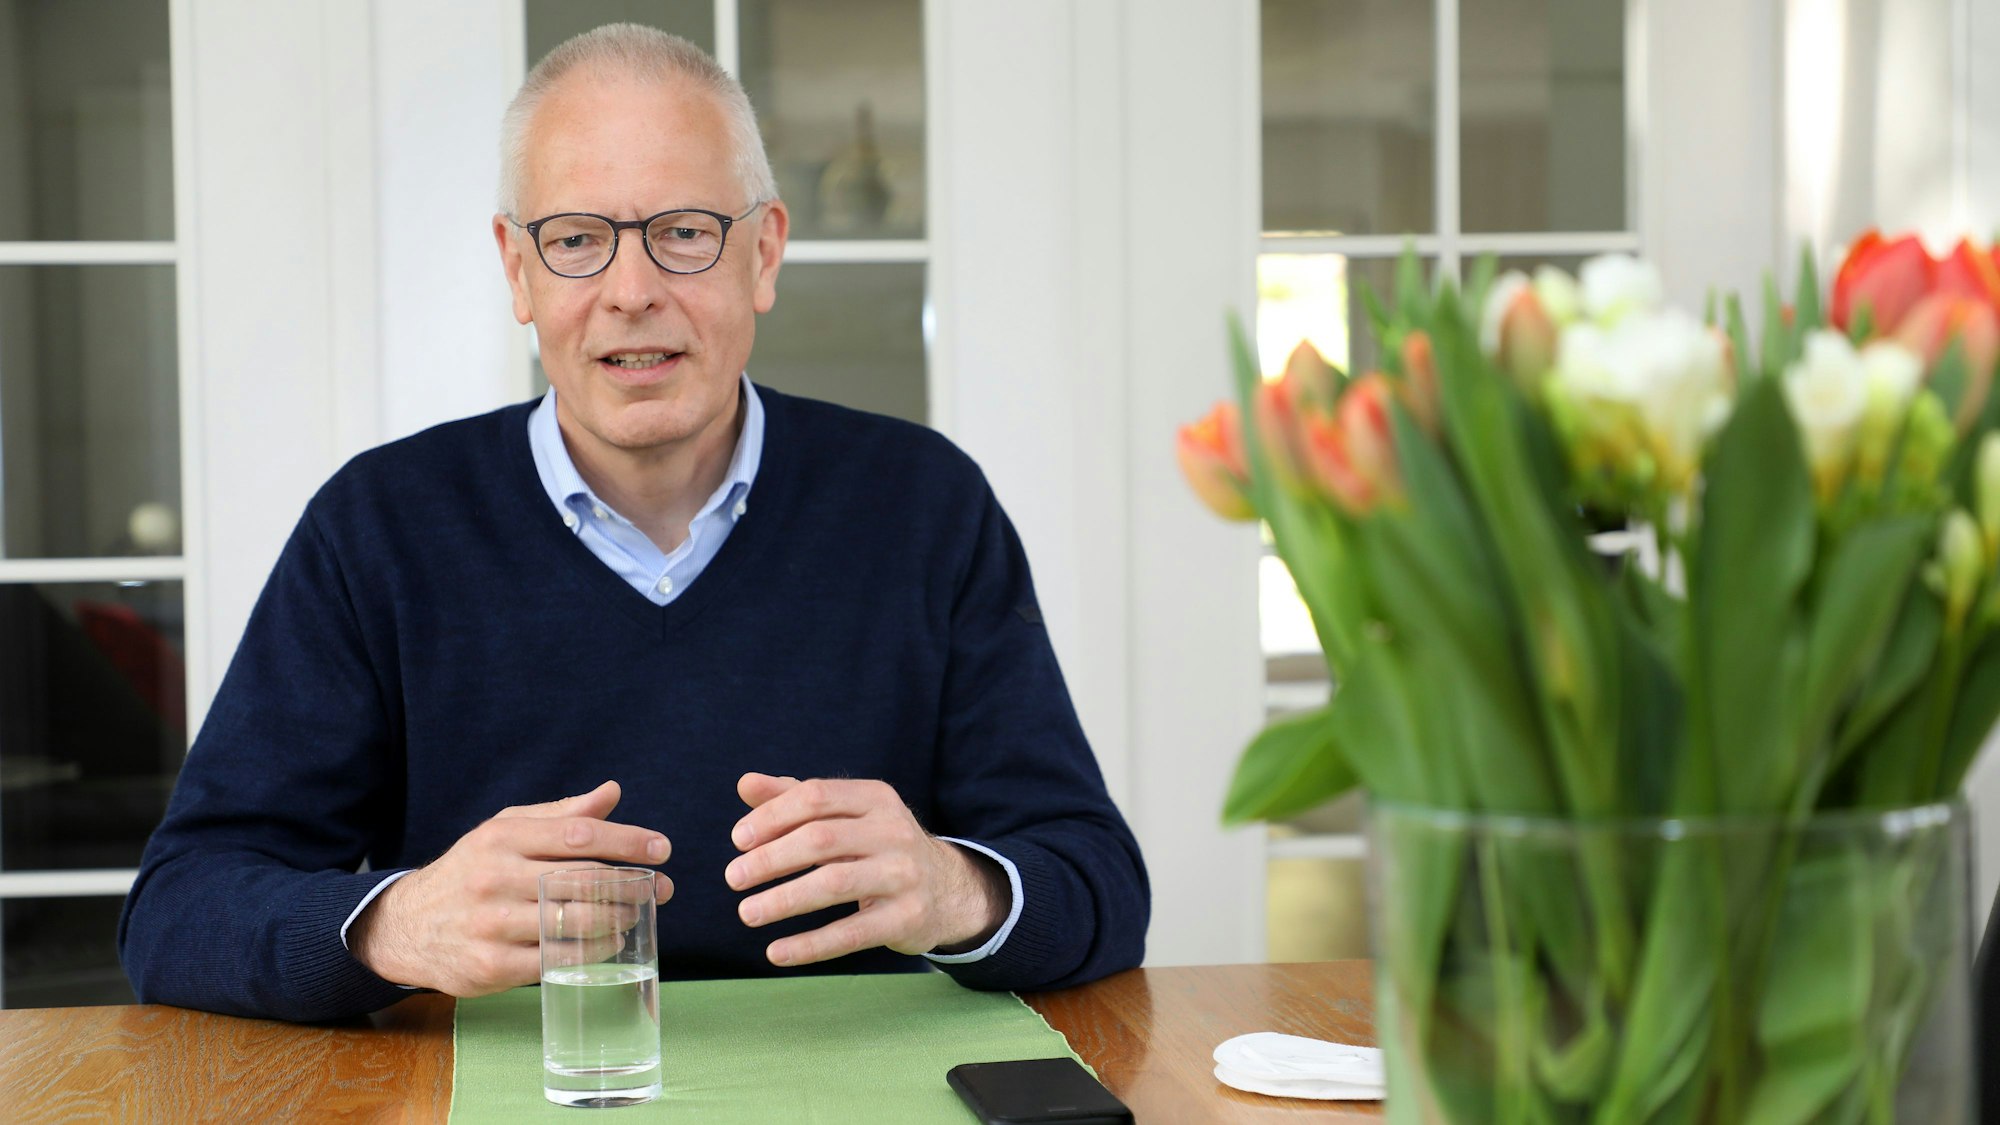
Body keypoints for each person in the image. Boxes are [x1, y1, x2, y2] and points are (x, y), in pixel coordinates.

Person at [117, 24, 1148, 1022]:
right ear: (516, 272)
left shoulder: (925, 504)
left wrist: (956, 886)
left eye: (684, 234)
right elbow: (177, 911)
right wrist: (397, 924)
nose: (630, 292)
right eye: (574, 241)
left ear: (764, 254)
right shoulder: (378, 525)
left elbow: (1098, 882)